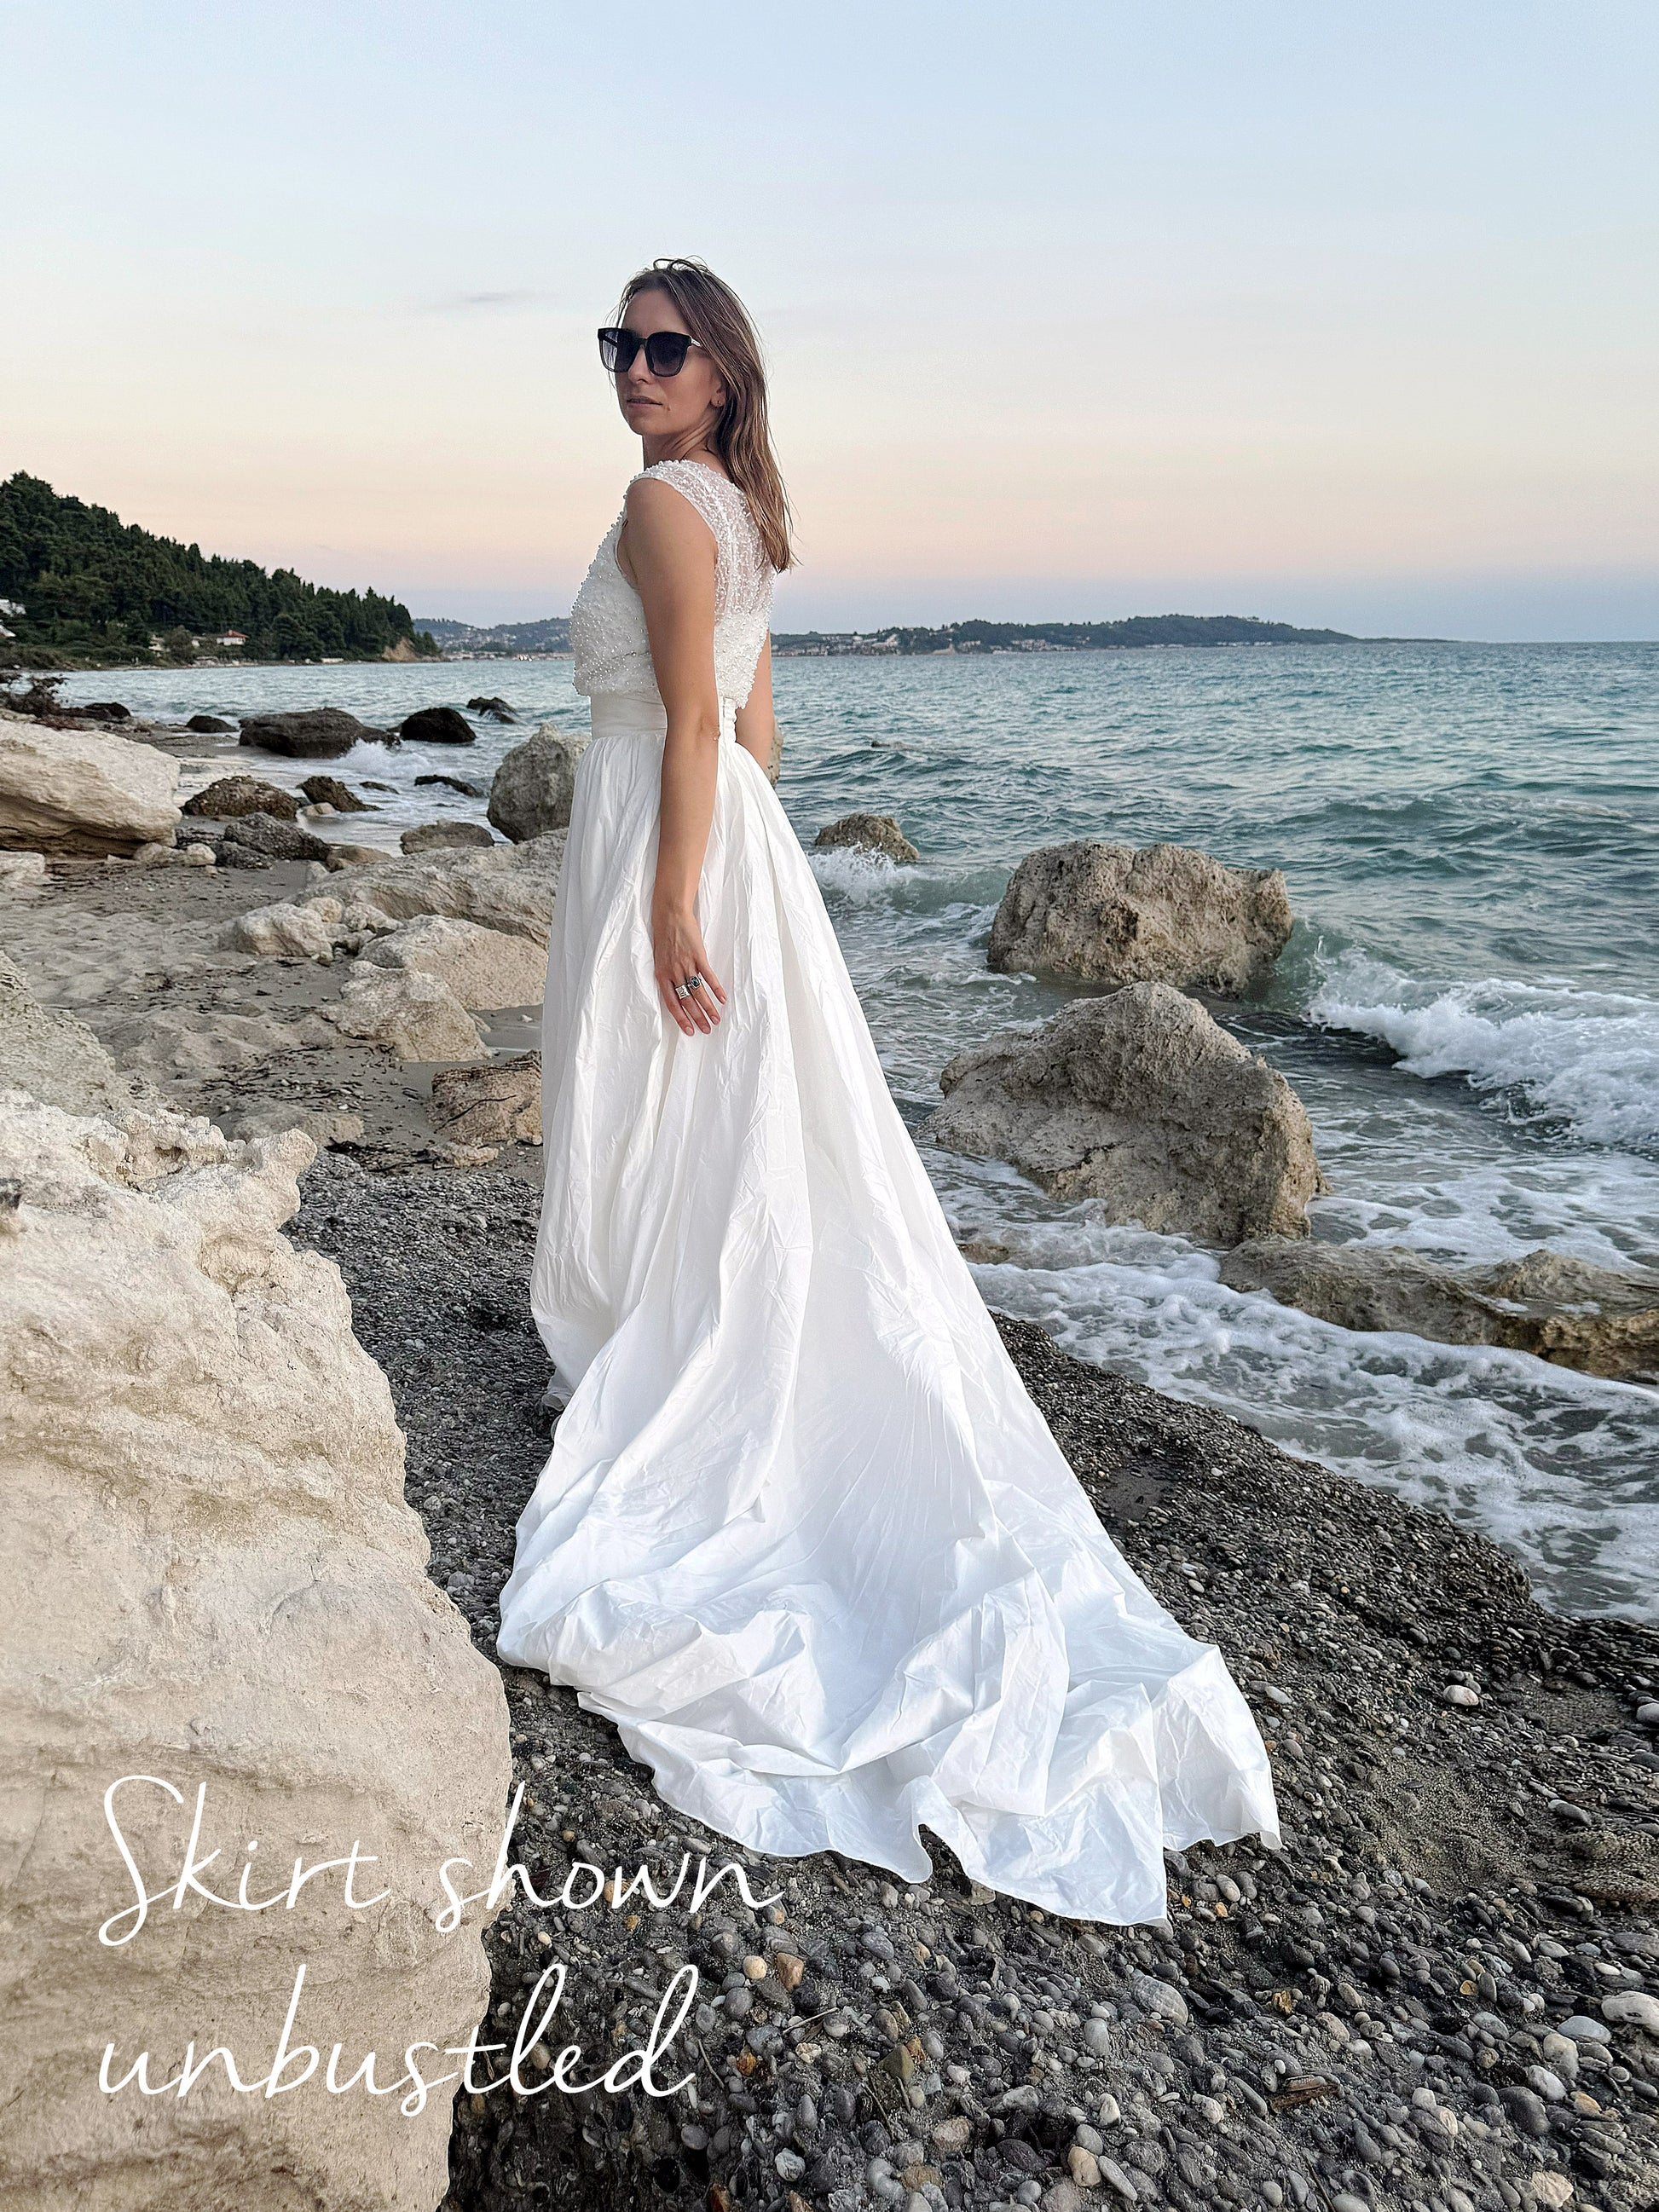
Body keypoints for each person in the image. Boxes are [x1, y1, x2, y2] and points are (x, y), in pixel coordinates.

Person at [494, 257, 1279, 1921]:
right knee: (741, 1140)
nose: (631, 369)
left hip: (675, 840)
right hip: (735, 850)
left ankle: (664, 1370)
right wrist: (730, 876)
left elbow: (703, 729)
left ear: (718, 372)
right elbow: (765, 746)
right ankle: (687, 1352)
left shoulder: (660, 502)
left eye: (661, 346)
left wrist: (662, 896)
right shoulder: (749, 512)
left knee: (666, 1114)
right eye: (615, 344)